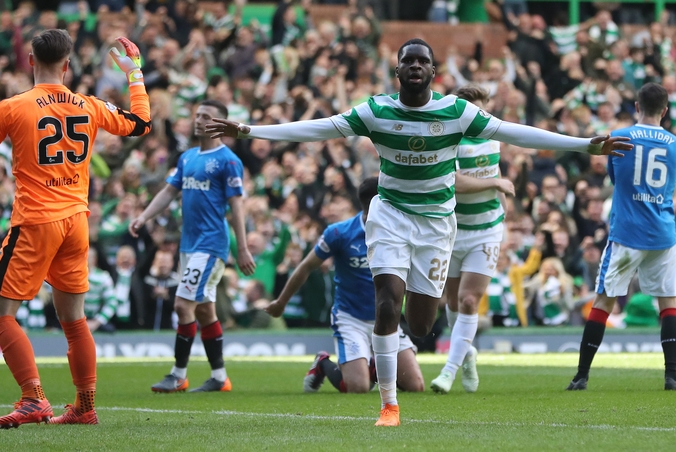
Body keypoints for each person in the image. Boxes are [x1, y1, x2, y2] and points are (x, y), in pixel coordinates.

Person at [206, 38, 630, 426]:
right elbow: (317, 127)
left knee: (423, 324)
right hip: (389, 216)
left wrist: (582, 144)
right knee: (387, 304)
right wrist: (248, 130)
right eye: (407, 60)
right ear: (398, 72)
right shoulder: (377, 111)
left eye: (422, 61)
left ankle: (405, 349)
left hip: (436, 225)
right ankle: (388, 404)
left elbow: (516, 133)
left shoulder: (455, 112)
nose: (414, 66)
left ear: (433, 73)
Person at [0, 31, 151, 427]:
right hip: (76, 221)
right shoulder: (87, 105)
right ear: (68, 65)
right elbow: (141, 124)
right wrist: (134, 75)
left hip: (37, 222)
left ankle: (33, 398)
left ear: (30, 62)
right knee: (74, 321)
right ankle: (85, 406)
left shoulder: (12, 107)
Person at [567, 83, 676, 391]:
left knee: (604, 301)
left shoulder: (619, 137)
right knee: (668, 302)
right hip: (662, 233)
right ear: (665, 111)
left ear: (636, 106)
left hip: (626, 231)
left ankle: (581, 375)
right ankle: (671, 376)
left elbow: (615, 177)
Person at [129, 99, 255, 394]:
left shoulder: (228, 161)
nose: (198, 120)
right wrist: (144, 216)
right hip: (189, 245)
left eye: (206, 116)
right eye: (197, 115)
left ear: (221, 124)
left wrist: (243, 247)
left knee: (182, 304)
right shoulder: (187, 158)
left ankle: (178, 374)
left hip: (211, 245)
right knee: (204, 312)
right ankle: (220, 377)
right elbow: (168, 192)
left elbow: (237, 206)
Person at [265, 177, 424, 394]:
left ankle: (372, 365)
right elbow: (305, 266)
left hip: (386, 318)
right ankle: (323, 363)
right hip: (351, 319)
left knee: (416, 386)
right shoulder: (340, 233)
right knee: (358, 387)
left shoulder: (399, 231)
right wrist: (281, 302)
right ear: (379, 202)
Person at [430, 85, 515, 395]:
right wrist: (496, 182)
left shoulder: (492, 137)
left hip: (486, 230)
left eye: (485, 110)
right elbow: (454, 182)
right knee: (451, 302)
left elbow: (493, 167)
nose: (482, 117)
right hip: (452, 230)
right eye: (476, 111)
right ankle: (466, 354)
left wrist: (503, 200)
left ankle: (449, 371)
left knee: (468, 300)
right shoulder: (448, 142)